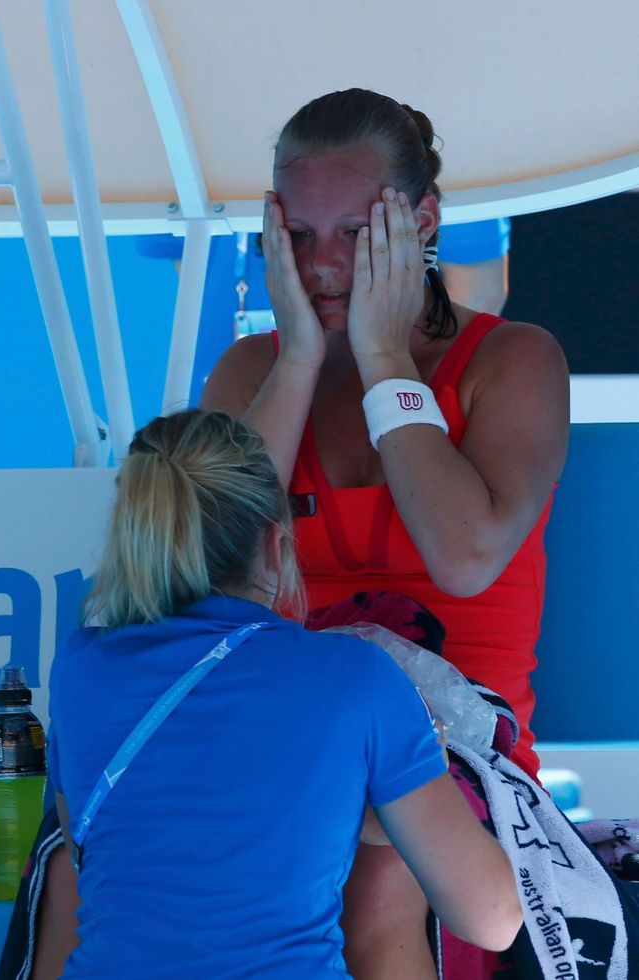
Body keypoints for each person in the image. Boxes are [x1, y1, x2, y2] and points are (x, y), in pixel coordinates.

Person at [200, 88, 569, 977]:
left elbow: (465, 555)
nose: (323, 267)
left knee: (376, 878)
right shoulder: (254, 367)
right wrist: (296, 360)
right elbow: (205, 572)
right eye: (297, 236)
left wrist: (384, 362)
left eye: (355, 235)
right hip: (287, 728)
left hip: (457, 748)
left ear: (424, 222)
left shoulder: (514, 360)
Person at [46, 408, 521, 978]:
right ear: (276, 545)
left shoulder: (80, 667)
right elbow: (491, 917)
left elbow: (93, 848)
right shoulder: (355, 675)